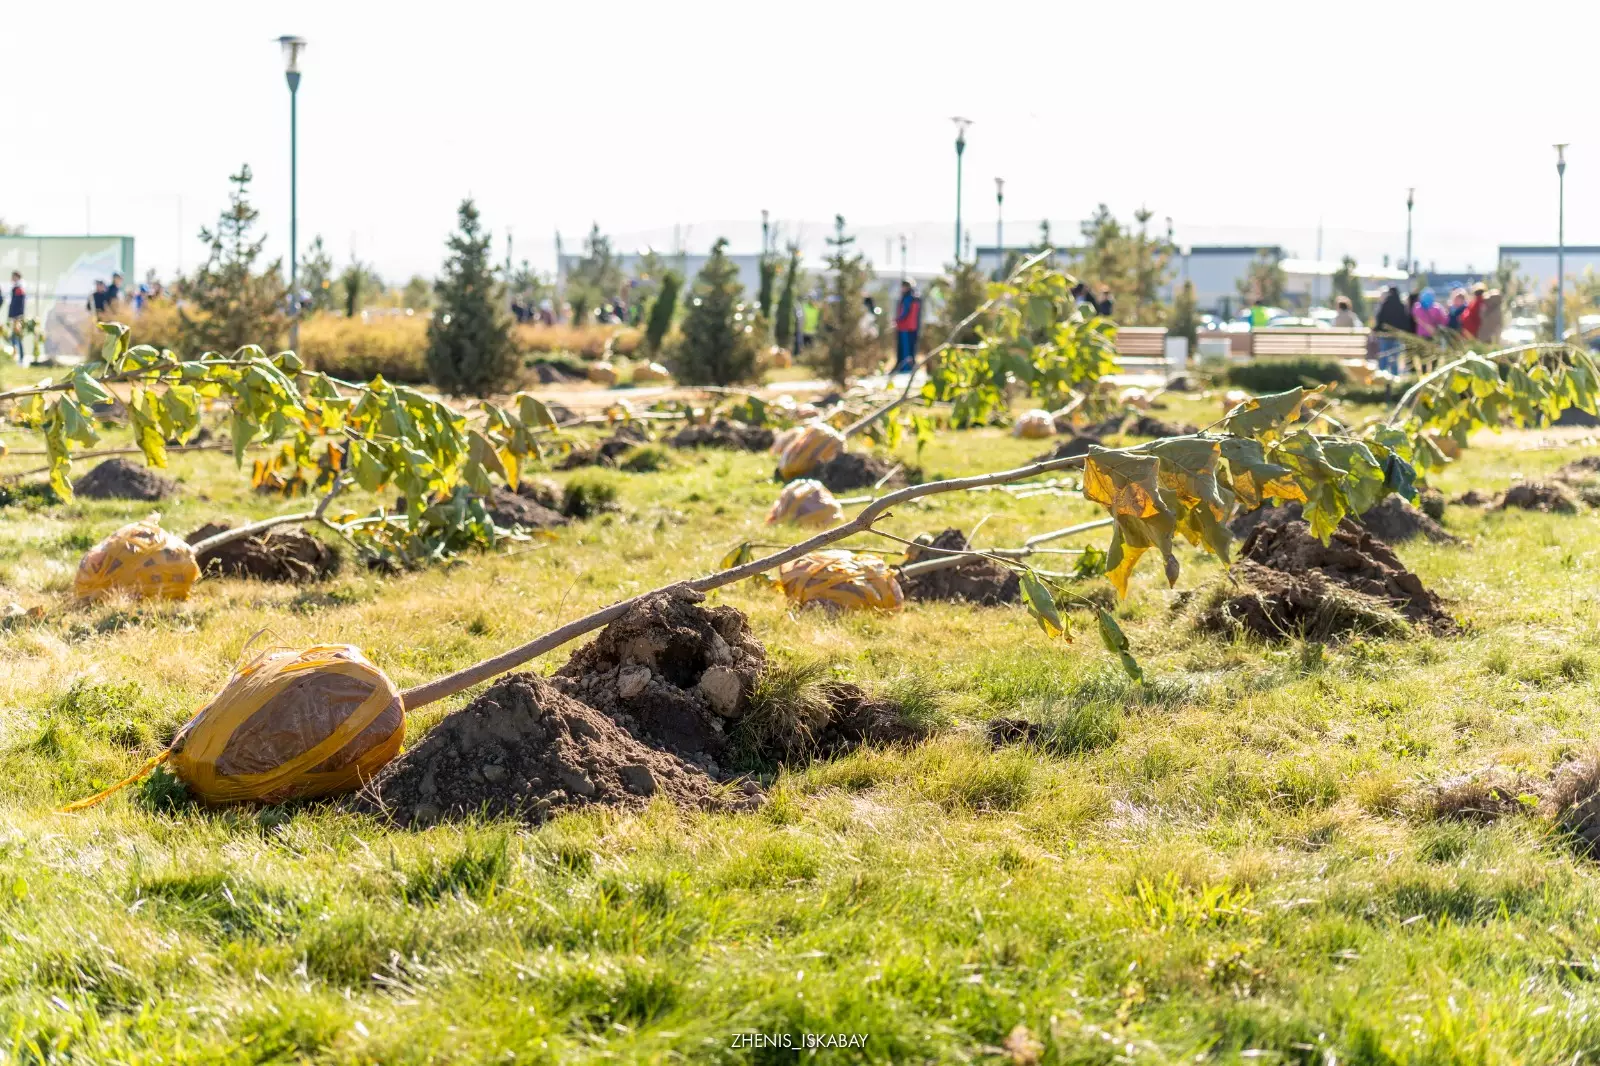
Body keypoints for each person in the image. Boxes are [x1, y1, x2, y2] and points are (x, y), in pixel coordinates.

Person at [1373, 286, 1412, 374]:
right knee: (1394, 357)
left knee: (1383, 356)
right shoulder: (1401, 306)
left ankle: (1381, 375)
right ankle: (1394, 375)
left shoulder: (1385, 304)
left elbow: (1380, 319)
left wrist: (1377, 330)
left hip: (1384, 335)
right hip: (1396, 335)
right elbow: (1405, 321)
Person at [893, 281, 921, 373]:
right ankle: (909, 367)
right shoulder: (916, 298)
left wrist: (897, 320)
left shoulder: (907, 298)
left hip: (905, 327)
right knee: (911, 348)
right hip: (913, 327)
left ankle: (905, 368)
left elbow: (904, 312)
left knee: (905, 349)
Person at [8, 272, 24, 364]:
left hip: (16, 317)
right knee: (14, 337)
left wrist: (16, 317)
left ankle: (20, 358)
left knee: (17, 337)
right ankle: (17, 357)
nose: (12, 278)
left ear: (17, 277)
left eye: (13, 276)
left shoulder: (19, 288)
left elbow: (18, 304)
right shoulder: (16, 288)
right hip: (14, 317)